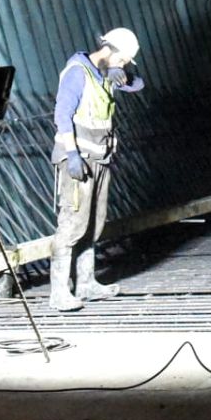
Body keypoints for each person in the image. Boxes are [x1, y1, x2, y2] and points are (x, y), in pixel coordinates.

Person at [48, 27, 146, 312]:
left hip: (100, 159)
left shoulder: (107, 72)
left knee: (94, 223)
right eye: (123, 60)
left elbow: (138, 85)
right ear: (110, 50)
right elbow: (62, 115)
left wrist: (122, 75)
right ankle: (58, 293)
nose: (124, 64)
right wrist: (71, 154)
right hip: (78, 160)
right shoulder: (78, 71)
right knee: (72, 224)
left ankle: (87, 283)